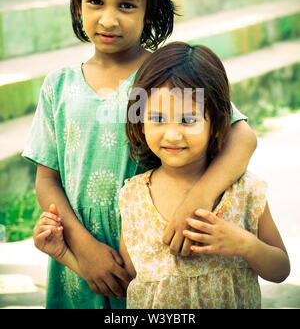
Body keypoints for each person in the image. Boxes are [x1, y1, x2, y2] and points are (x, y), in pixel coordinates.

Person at [25, 0, 257, 309]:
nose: (108, 18)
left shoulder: (165, 75)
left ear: (151, 9)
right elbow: (46, 179)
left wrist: (195, 201)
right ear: (77, 4)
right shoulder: (59, 86)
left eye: (127, 5)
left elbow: (242, 137)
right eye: (95, 1)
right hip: (79, 265)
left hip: (156, 254)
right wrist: (84, 251)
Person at [33, 42, 290, 309]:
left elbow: (280, 269)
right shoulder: (134, 198)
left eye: (188, 120)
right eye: (157, 118)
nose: (171, 134)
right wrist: (63, 253)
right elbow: (127, 282)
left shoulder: (243, 191)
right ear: (140, 121)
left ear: (216, 124)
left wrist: (244, 244)